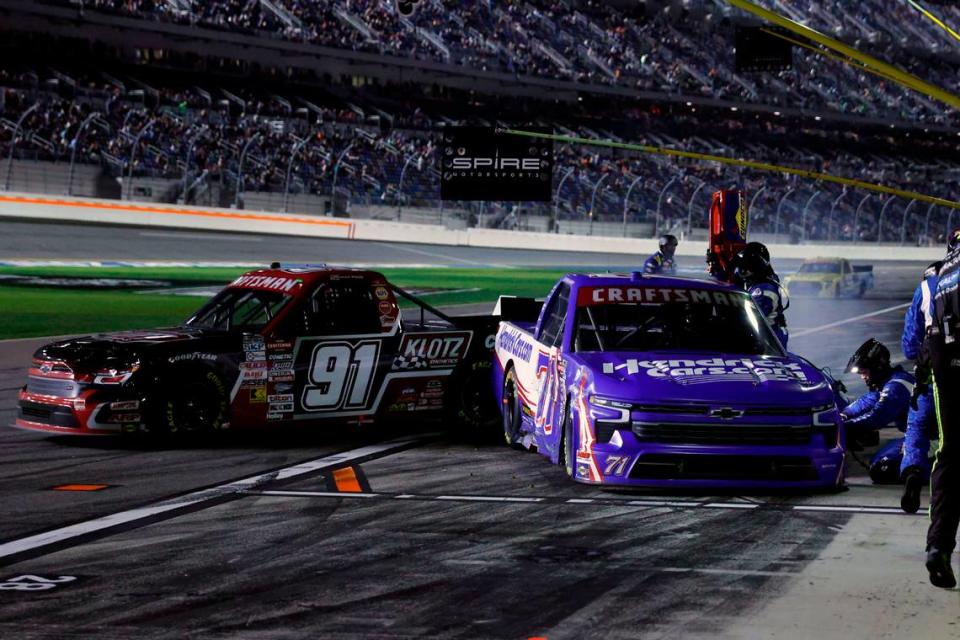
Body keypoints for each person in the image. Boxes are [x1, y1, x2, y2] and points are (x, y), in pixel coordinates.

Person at [916, 228, 960, 588]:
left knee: (949, 455)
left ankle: (938, 547)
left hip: (943, 365)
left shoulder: (933, 275)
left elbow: (916, 332)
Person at [896, 261, 942, 513]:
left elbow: (909, 344)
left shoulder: (925, 289)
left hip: (930, 374)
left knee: (917, 428)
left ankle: (913, 473)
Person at [840, 339, 915, 479]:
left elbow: (877, 417)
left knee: (882, 469)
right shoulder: (890, 382)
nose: (863, 377)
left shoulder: (896, 386)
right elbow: (866, 401)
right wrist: (843, 415)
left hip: (930, 438)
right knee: (877, 461)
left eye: (864, 372)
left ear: (877, 367)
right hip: (917, 436)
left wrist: (845, 427)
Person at [733, 244, 790, 348]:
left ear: (757, 266)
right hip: (760, 336)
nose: (741, 269)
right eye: (741, 264)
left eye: (746, 265)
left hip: (769, 343)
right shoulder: (758, 276)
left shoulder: (764, 290)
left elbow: (747, 319)